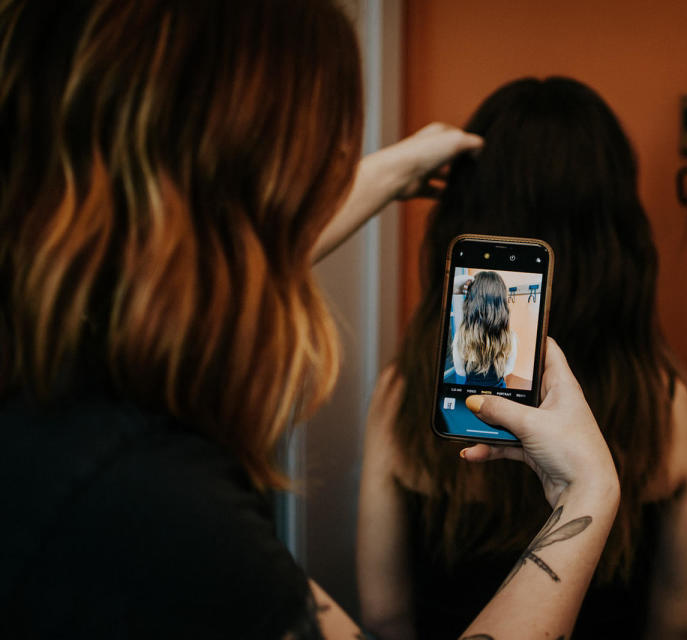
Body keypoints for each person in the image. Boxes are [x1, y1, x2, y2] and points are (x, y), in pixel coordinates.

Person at [0, 3, 621, 639]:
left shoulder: (47, 393)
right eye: (316, 167)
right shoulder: (161, 516)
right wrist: (587, 495)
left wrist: (387, 172)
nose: (336, 175)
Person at [357, 77, 687, 639]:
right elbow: (679, 622)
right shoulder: (668, 407)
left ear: (462, 216)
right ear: (615, 232)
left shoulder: (404, 396)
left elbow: (384, 613)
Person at [450, 271, 518, 387]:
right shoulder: (510, 337)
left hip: (471, 395)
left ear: (471, 302)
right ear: (501, 304)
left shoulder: (461, 336)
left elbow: (460, 371)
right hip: (499, 393)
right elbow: (508, 370)